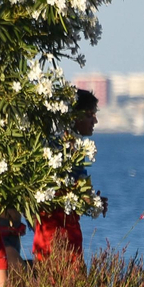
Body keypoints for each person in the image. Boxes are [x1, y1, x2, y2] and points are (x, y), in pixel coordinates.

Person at [33, 88, 103, 263]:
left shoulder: (75, 148)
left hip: (67, 230)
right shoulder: (56, 148)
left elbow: (78, 187)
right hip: (54, 232)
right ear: (74, 116)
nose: (95, 120)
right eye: (90, 115)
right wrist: (88, 199)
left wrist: (92, 200)